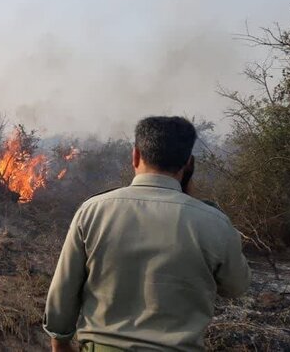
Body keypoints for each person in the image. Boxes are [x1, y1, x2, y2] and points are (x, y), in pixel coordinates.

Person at [44, 116, 251, 352]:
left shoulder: (93, 211)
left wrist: (59, 341)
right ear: (189, 164)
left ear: (135, 155)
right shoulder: (214, 222)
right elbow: (237, 286)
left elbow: (64, 288)